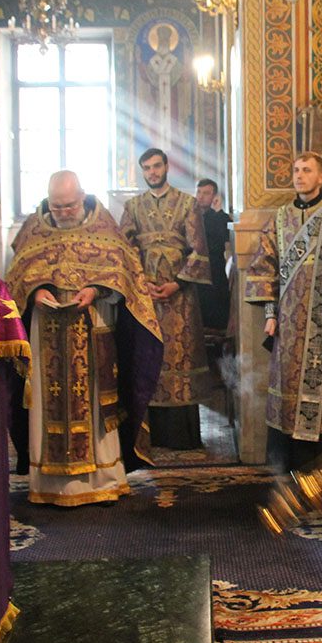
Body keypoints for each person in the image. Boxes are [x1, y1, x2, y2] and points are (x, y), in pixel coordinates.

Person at [5, 171, 162, 503]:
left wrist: (96, 289)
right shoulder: (33, 230)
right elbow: (16, 278)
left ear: (82, 196)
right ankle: (49, 485)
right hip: (45, 332)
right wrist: (36, 292)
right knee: (45, 402)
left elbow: (126, 277)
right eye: (56, 206)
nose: (63, 212)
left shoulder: (105, 228)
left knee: (94, 402)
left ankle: (101, 480)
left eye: (69, 205)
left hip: (93, 328)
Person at [244, 152, 322, 472]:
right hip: (290, 322)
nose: (300, 175)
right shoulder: (279, 218)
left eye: (307, 170)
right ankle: (294, 464)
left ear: (321, 177)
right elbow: (265, 267)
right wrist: (270, 315)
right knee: (290, 386)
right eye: (296, 170)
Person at [121, 149, 212, 449]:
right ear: (142, 172)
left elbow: (199, 249)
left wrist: (177, 283)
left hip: (180, 296)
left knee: (181, 354)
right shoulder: (133, 207)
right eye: (147, 168)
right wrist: (142, 283)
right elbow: (125, 250)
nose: (152, 172)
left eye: (157, 166)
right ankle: (152, 435)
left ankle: (183, 437)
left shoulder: (187, 203)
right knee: (151, 355)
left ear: (166, 167)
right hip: (146, 296)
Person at [195, 179, 232, 333]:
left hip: (214, 269)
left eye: (206, 193)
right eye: (199, 192)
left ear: (214, 196)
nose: (201, 196)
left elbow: (224, 235)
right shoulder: (189, 216)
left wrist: (218, 211)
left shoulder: (220, 217)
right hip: (194, 270)